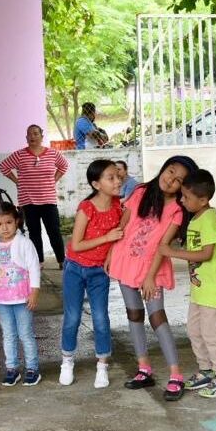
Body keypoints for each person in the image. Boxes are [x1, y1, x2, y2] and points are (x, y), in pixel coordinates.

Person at [106, 155, 199, 401]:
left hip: (152, 270)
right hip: (125, 262)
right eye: (170, 172)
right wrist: (111, 252)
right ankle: (144, 368)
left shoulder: (177, 210)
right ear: (163, 168)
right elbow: (123, 225)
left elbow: (163, 245)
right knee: (134, 315)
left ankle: (175, 376)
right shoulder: (141, 191)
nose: (170, 180)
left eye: (178, 180)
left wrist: (149, 277)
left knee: (157, 318)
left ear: (183, 187)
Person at [160, 169, 216, 399]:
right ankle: (206, 370)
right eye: (182, 196)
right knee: (194, 331)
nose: (182, 200)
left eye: (186, 197)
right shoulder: (197, 218)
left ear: (203, 199)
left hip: (212, 291)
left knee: (211, 334)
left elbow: (206, 254)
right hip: (200, 290)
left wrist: (173, 252)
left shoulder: (208, 220)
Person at [59, 159, 124, 388]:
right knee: (73, 317)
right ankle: (67, 362)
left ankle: (102, 366)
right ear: (97, 184)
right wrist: (107, 239)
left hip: (99, 272)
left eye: (118, 176)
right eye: (111, 177)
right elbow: (76, 245)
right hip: (75, 269)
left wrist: (109, 255)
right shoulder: (86, 208)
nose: (117, 180)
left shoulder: (119, 207)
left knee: (100, 318)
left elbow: (121, 236)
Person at [0, 202, 42, 387]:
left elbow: (34, 268)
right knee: (8, 334)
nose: (4, 227)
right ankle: (12, 369)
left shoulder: (25, 243)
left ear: (16, 221)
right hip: (2, 301)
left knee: (25, 333)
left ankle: (32, 368)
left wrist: (34, 293)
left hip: (23, 299)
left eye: (9, 222)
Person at [0, 124, 69, 265]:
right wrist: (16, 181)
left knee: (54, 231)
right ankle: (39, 262)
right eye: (30, 134)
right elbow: (3, 166)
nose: (32, 137)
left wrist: (53, 180)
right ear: (26, 137)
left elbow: (64, 166)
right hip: (28, 200)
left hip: (48, 199)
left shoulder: (52, 154)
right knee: (34, 232)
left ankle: (62, 261)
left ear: (42, 136)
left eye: (36, 134)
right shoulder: (19, 155)